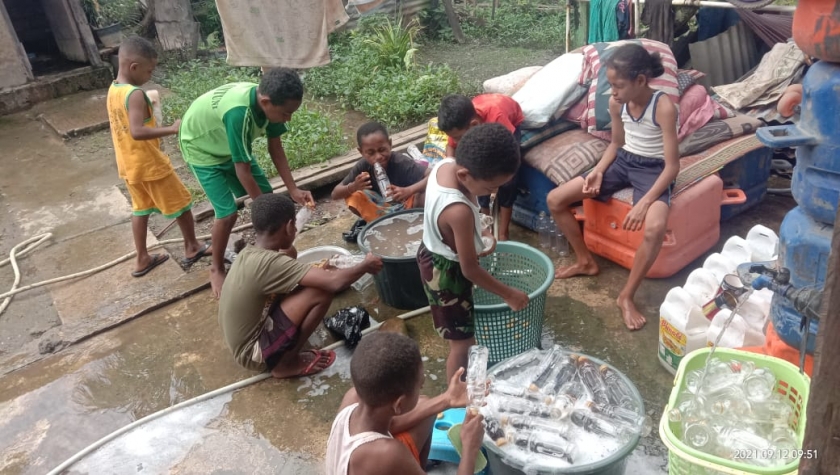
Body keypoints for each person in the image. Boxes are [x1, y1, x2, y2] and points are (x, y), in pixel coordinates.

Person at [547, 44, 679, 331]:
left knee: (655, 228)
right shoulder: (617, 103)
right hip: (623, 162)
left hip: (654, 169)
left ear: (641, 81)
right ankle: (585, 261)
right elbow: (617, 144)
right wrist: (597, 171)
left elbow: (672, 167)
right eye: (611, 85)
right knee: (556, 199)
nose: (613, 92)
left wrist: (643, 203)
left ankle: (626, 296)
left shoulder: (663, 107)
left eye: (619, 85)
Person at [179, 67, 315, 297]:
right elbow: (243, 171)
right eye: (285, 114)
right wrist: (266, 211)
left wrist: (293, 189)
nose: (288, 119)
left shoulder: (271, 105)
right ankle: (217, 268)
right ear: (265, 101)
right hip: (202, 148)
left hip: (227, 145)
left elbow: (276, 148)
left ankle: (275, 254)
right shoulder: (240, 113)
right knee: (227, 213)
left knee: (267, 194)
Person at [218, 193, 383, 378]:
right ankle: (285, 364)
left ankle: (281, 348)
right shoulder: (269, 264)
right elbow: (334, 283)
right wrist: (365, 265)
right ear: (289, 227)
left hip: (248, 335)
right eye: (295, 225)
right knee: (321, 292)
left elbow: (289, 255)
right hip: (252, 353)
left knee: (293, 258)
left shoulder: (250, 253)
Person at [418, 123, 529, 381]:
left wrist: (481, 233)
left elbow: (461, 223)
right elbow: (469, 269)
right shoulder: (457, 211)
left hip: (431, 250)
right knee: (462, 342)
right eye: (491, 187)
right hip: (446, 275)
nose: (494, 192)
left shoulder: (446, 165)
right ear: (466, 175)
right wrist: (509, 293)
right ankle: (454, 396)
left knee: (461, 336)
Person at [106, 36, 209, 278]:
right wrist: (172, 129)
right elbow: (137, 131)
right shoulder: (134, 95)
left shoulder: (114, 89)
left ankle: (142, 258)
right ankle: (192, 247)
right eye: (149, 70)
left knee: (141, 209)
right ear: (134, 67)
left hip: (129, 165)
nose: (151, 75)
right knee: (182, 203)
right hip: (149, 164)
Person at [326, 332, 485, 475]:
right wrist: (469, 448)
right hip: (377, 460)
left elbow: (391, 424)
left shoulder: (352, 397)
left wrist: (447, 399)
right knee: (425, 407)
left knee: (425, 406)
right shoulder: (388, 453)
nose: (421, 388)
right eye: (420, 385)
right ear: (399, 404)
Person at [437, 94, 525, 241]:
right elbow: (450, 150)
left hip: (508, 128)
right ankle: (486, 223)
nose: (456, 141)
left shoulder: (497, 117)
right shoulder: (458, 126)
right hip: (483, 122)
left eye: (459, 137)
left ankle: (503, 232)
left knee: (508, 180)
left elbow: (506, 149)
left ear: (473, 126)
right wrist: (452, 168)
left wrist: (496, 182)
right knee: (477, 177)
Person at [331, 121, 430, 228]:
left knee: (426, 195)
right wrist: (353, 186)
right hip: (379, 209)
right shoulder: (362, 166)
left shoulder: (401, 162)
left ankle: (409, 220)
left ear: (390, 144)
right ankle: (377, 222)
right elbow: (335, 194)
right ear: (361, 152)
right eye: (371, 153)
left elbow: (434, 175)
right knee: (353, 197)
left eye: (382, 150)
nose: (378, 156)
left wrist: (409, 190)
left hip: (407, 205)